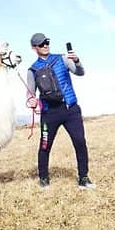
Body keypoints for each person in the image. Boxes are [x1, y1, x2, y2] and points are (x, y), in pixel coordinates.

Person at [25, 33, 94, 189]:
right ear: (34, 48)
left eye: (47, 42)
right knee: (44, 146)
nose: (45, 45)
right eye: (41, 44)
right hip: (49, 113)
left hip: (70, 109)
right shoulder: (32, 70)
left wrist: (76, 60)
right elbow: (30, 93)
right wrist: (31, 101)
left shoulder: (63, 59)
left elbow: (80, 72)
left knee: (80, 142)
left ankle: (83, 177)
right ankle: (43, 178)